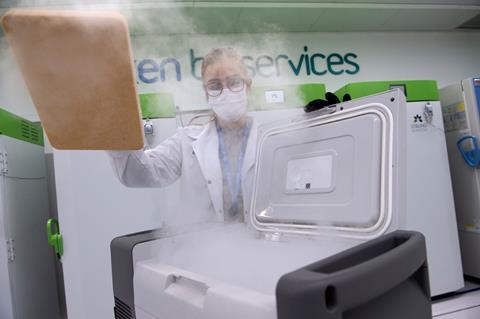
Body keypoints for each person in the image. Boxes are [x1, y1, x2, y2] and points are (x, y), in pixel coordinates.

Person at [108, 48, 256, 224]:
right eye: (215, 86)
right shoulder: (186, 141)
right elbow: (138, 173)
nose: (225, 91)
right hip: (206, 248)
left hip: (266, 247)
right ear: (206, 92)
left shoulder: (270, 140)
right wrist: (119, 108)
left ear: (248, 86)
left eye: (234, 82)